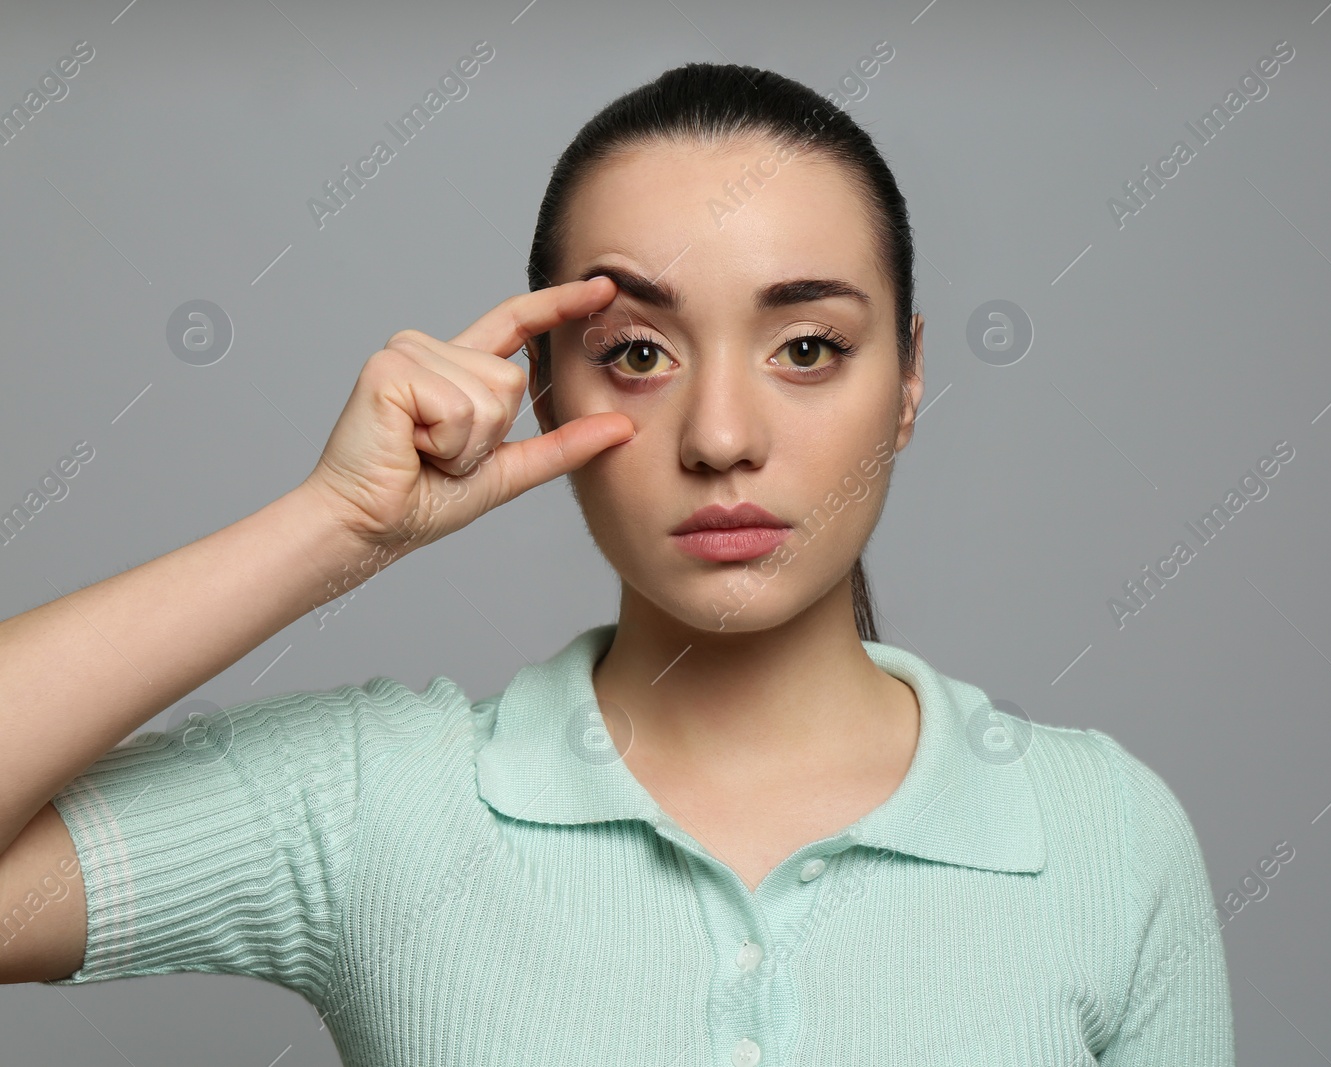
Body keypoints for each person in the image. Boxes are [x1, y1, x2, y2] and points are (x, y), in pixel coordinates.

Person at [0, 62, 1235, 1064]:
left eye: (806, 346)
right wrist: (335, 525)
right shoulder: (386, 805)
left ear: (906, 380)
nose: (721, 437)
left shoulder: (1100, 833)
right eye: (639, 353)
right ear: (541, 387)